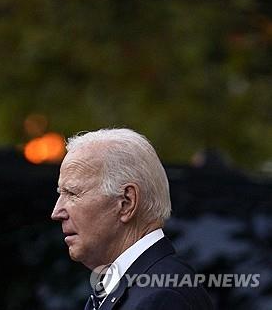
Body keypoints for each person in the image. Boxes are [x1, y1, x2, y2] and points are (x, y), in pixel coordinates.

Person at [51, 128, 213, 310]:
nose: (56, 212)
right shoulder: (135, 288)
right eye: (60, 194)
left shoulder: (162, 299)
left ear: (126, 202)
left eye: (72, 193)